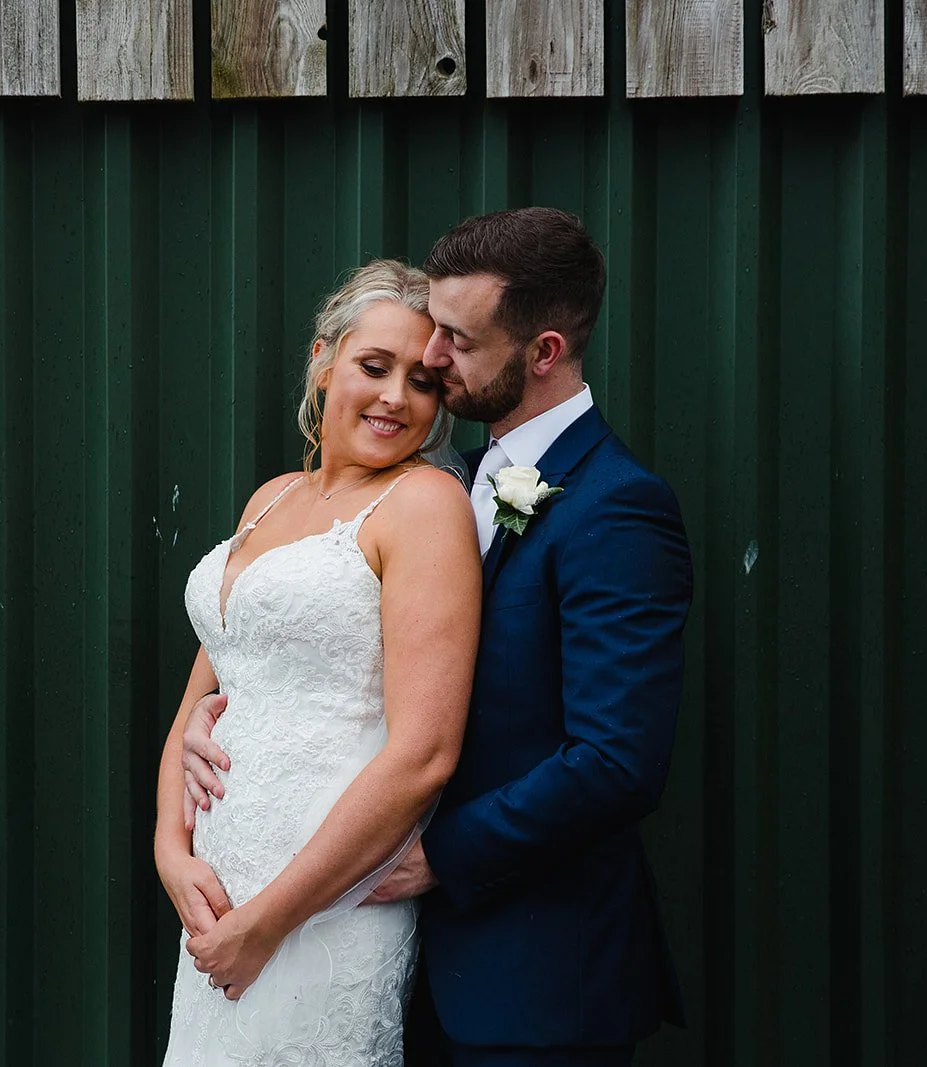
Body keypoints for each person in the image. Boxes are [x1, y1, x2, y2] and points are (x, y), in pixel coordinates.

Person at [182, 208, 694, 1066]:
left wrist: (440, 856)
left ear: (544, 352)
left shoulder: (617, 506)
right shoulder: (456, 480)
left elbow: (617, 760)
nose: (432, 357)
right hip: (397, 947)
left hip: (533, 970)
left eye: (457, 339)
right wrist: (223, 717)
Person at [154, 259, 481, 1064]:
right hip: (217, 903)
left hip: (320, 908)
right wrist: (170, 851)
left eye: (425, 381)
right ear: (322, 360)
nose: (397, 397)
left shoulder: (423, 504)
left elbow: (424, 754)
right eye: (375, 366)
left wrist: (268, 923)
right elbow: (207, 687)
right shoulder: (270, 498)